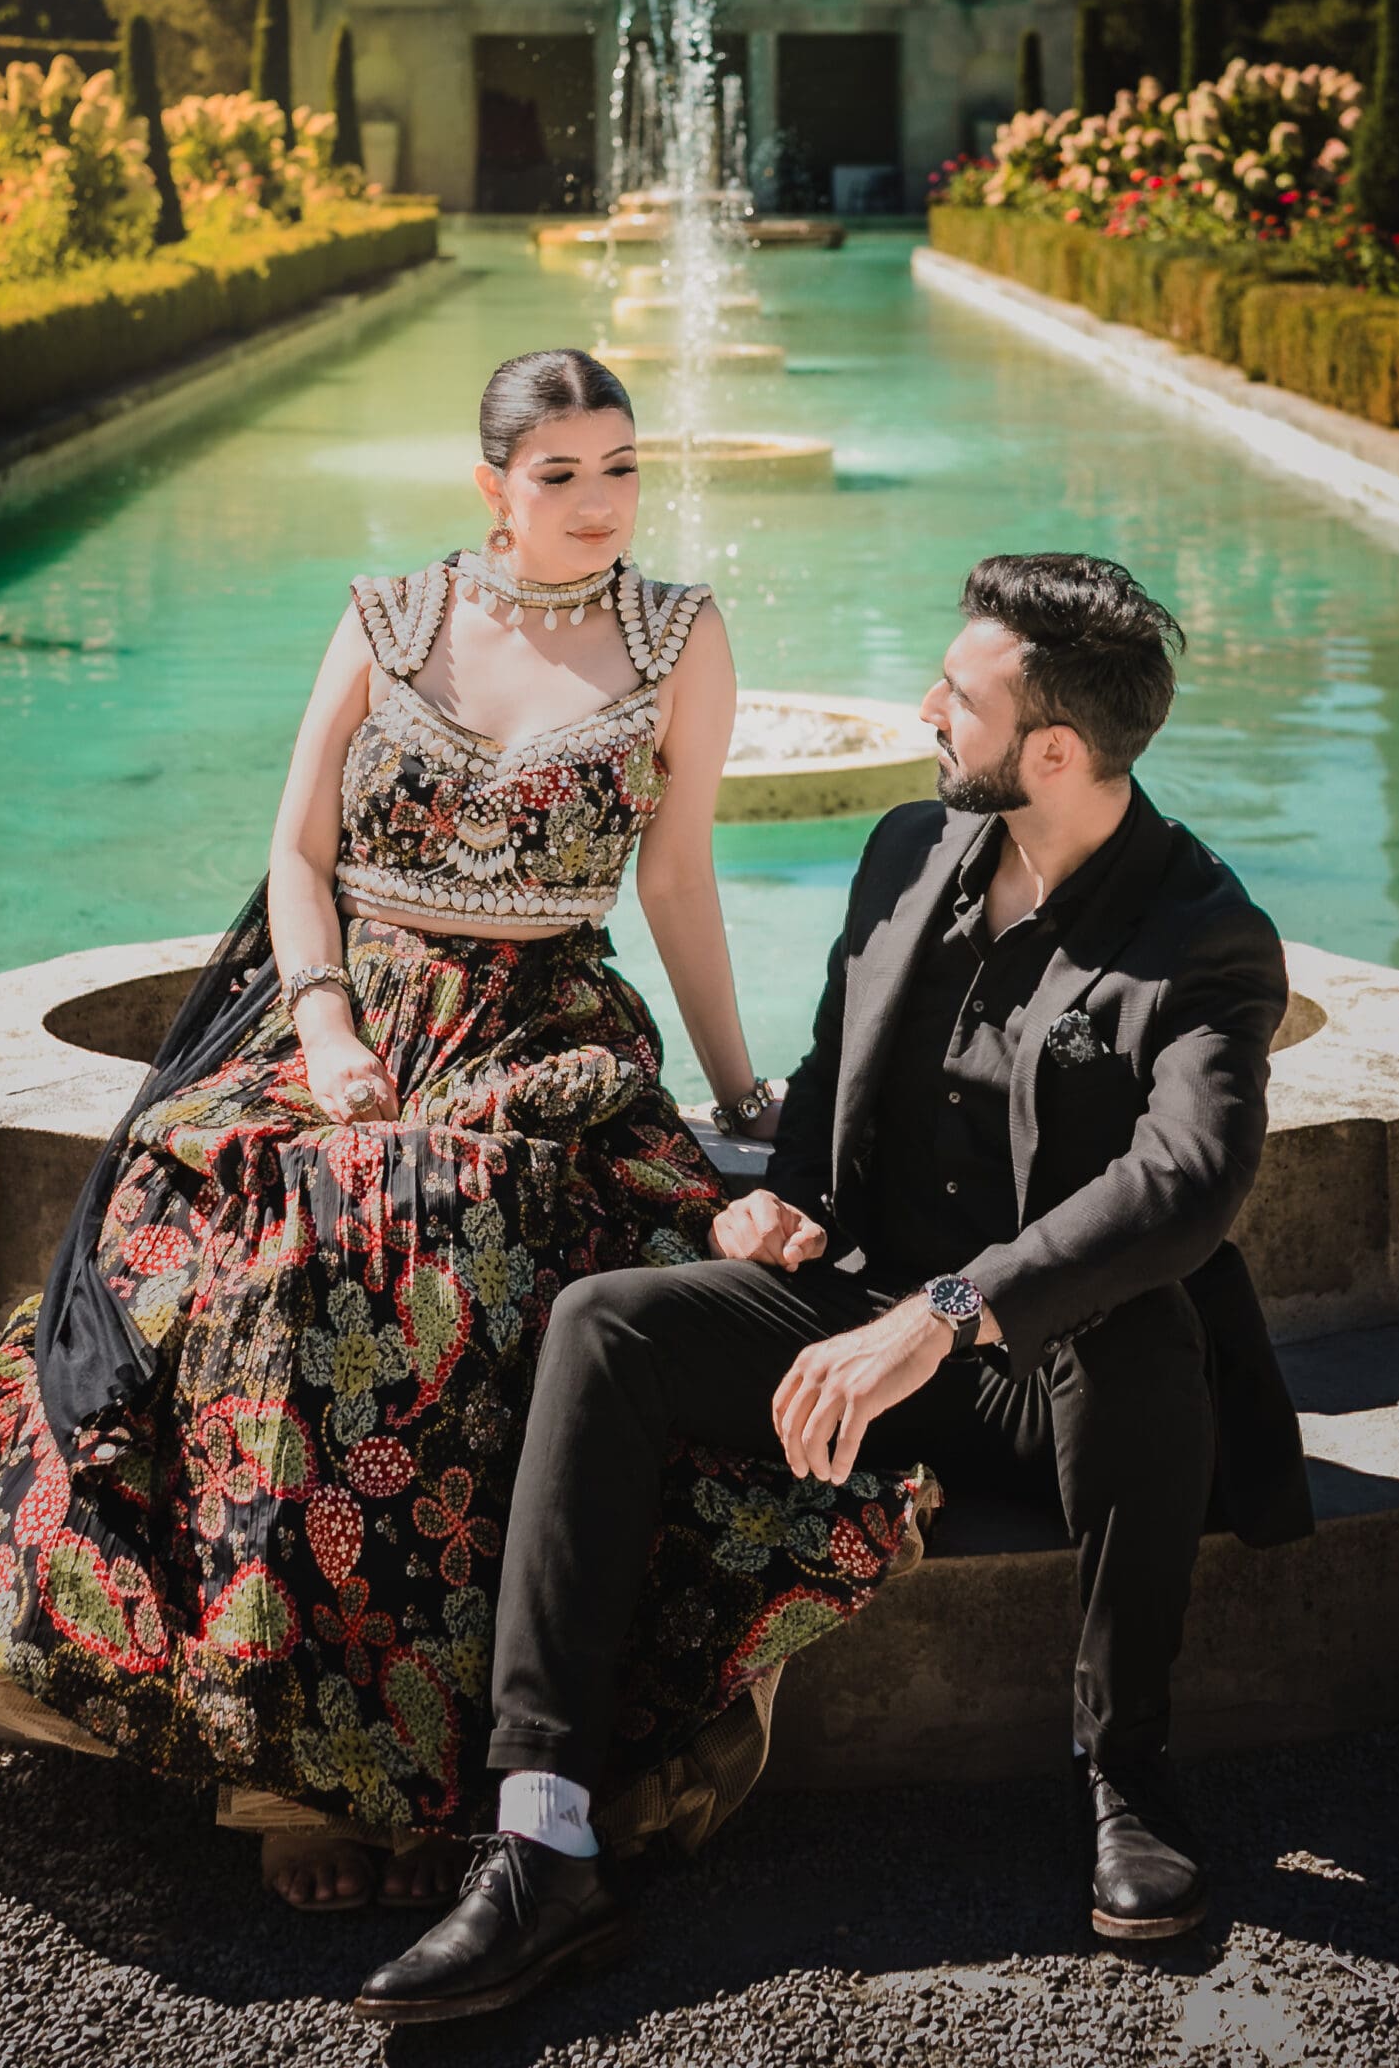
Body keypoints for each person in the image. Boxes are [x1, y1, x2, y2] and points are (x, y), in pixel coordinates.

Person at [0, 349, 923, 1918]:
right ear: (491, 488)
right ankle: (282, 1770)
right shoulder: (390, 613)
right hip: (350, 1006)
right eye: (559, 475)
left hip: (542, 1031)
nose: (597, 504)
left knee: (458, 1245)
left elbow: (673, 880)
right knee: (268, 1265)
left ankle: (429, 1764)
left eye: (620, 468)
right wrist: (320, 1025)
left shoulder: (681, 631)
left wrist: (734, 1095)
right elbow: (297, 843)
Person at [358, 550, 1314, 2023]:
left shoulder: (1201, 936)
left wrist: (943, 1318)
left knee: (1138, 1314)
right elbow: (836, 1072)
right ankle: (542, 1832)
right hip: (860, 1317)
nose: (923, 704)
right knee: (605, 1325)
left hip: (1042, 1383)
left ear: (1051, 751)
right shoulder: (908, 847)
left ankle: (1124, 1772)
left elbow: (1182, 1185)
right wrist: (789, 1202)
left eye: (959, 694)